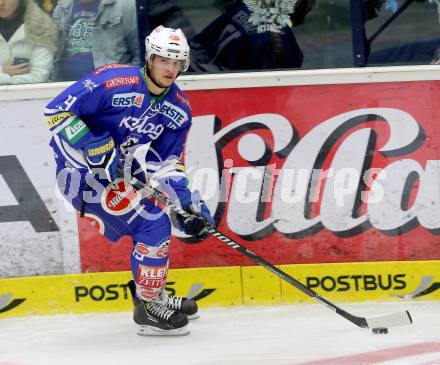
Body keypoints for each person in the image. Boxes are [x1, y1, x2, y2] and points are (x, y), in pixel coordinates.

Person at [44, 25, 215, 336]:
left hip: (120, 174)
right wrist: (90, 142)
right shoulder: (112, 81)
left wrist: (185, 200)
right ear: (150, 57)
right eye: (165, 60)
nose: (171, 69)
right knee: (152, 223)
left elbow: (166, 162)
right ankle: (148, 307)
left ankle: (153, 295)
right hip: (81, 175)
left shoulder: (178, 108)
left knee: (164, 218)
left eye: (177, 63)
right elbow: (55, 112)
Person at [189, 0, 310, 72]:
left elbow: (198, 44)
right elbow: (276, 93)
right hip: (213, 92)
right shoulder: (280, 42)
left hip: (194, 77)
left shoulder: (246, 9)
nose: (311, 6)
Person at [51, 0, 139, 81]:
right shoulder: (61, 9)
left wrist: (121, 83)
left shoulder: (126, 6)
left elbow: (142, 57)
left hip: (109, 90)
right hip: (64, 88)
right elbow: (54, 58)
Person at [0, 0, 57, 84]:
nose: (1, 3)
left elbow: (39, 77)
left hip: (29, 95)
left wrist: (3, 77)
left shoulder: (41, 27)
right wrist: (2, 70)